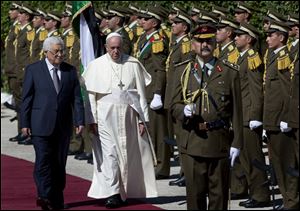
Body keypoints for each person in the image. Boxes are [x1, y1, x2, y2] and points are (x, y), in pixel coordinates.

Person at [170, 24, 243, 210]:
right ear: (192, 43)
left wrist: (237, 144)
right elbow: (172, 105)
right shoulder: (181, 70)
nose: (205, 45)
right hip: (192, 140)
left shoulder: (229, 71)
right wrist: (182, 111)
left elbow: (237, 111)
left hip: (219, 140)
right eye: (200, 41)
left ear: (215, 43)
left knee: (219, 196)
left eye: (209, 41)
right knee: (195, 196)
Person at [82, 33, 157, 208]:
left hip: (129, 116)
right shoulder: (97, 65)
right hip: (105, 116)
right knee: (110, 155)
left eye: (118, 48)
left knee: (127, 154)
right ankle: (113, 193)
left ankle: (126, 191)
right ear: (106, 47)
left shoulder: (132, 63)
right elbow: (91, 96)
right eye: (112, 48)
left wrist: (142, 120)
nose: (115, 51)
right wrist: (91, 119)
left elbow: (140, 94)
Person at [20, 36, 85, 210]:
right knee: (43, 161)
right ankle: (44, 195)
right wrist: (24, 123)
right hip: (40, 124)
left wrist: (80, 120)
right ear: (46, 52)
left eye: (62, 50)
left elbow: (76, 99)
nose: (60, 54)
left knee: (58, 163)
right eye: (56, 51)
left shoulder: (70, 71)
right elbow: (27, 98)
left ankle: (56, 199)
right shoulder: (34, 70)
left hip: (62, 126)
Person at [234, 22, 270, 208]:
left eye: (239, 35)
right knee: (244, 157)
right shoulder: (241, 57)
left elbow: (257, 90)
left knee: (253, 156)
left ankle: (261, 195)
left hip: (249, 115)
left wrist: (256, 115)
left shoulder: (252, 58)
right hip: (240, 114)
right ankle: (252, 191)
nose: (235, 38)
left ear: (249, 39)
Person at [263, 20, 299, 210]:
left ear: (282, 37)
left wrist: (286, 117)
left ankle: (291, 202)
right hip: (271, 119)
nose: (267, 38)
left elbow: (288, 91)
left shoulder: (284, 57)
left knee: (287, 163)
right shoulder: (272, 56)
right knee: (277, 163)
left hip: (281, 120)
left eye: (271, 35)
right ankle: (288, 201)